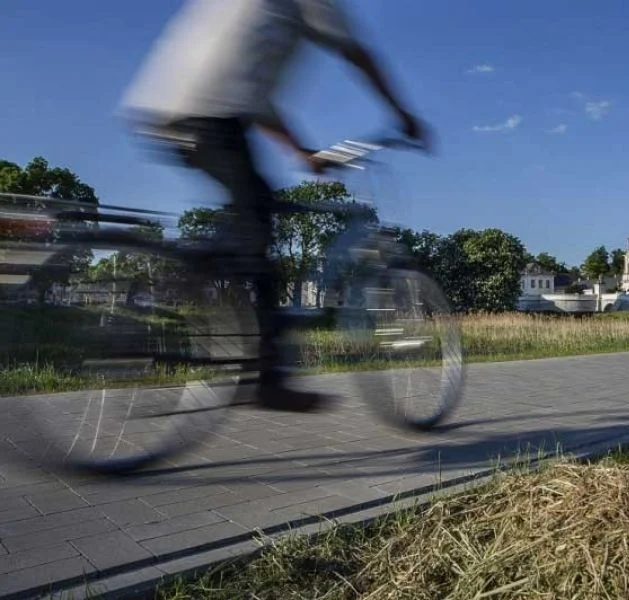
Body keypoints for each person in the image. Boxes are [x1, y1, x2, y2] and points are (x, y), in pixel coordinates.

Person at [117, 0, 432, 410]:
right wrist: (402, 113)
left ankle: (200, 272)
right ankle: (266, 375)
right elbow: (357, 53)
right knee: (258, 226)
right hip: (207, 117)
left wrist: (302, 153)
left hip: (167, 108)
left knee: (253, 216)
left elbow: (255, 101)